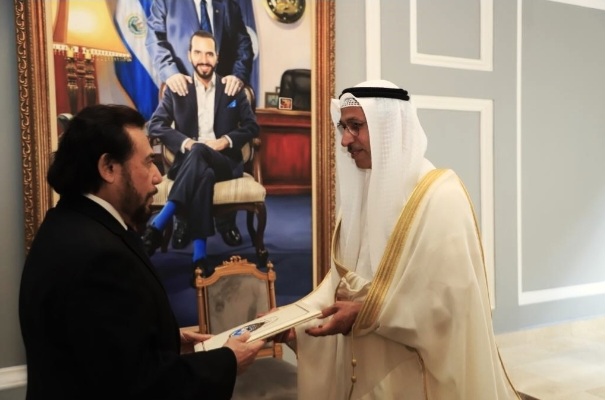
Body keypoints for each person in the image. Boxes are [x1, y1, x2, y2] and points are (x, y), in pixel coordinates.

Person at [277, 80, 520, 399]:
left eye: (356, 126)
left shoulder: (440, 196)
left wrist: (367, 312)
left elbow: (450, 304)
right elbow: (340, 284)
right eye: (343, 127)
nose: (345, 140)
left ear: (388, 127)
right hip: (361, 371)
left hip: (417, 376)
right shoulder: (359, 198)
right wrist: (291, 319)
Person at [18, 104, 265, 399]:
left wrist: (167, 339)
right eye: (148, 162)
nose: (158, 176)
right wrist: (227, 361)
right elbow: (140, 385)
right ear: (108, 168)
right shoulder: (99, 258)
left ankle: (164, 222)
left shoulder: (66, 223)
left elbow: (100, 344)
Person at [143, 30, 259, 274]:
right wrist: (186, 143)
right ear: (189, 55)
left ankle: (159, 223)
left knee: (201, 155)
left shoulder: (232, 89)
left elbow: (251, 127)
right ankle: (200, 257)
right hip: (190, 161)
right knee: (203, 171)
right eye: (198, 53)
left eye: (209, 54)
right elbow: (155, 125)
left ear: (217, 57)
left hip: (225, 162)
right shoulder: (177, 88)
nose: (203, 59)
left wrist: (224, 141)